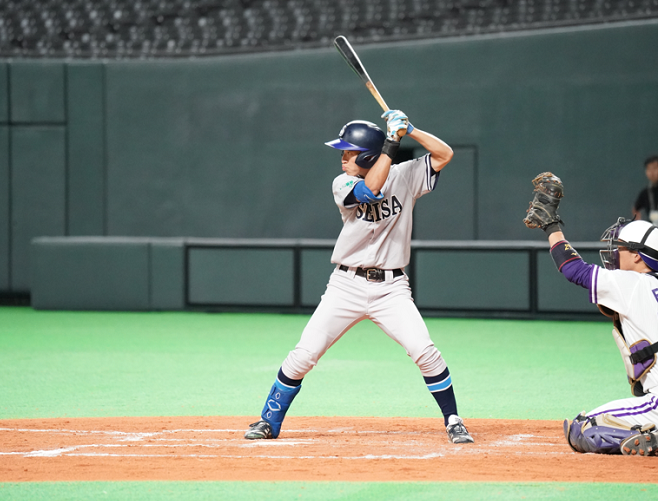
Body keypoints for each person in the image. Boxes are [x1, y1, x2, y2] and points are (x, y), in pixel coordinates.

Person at [243, 110, 474, 444]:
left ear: (367, 154)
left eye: (349, 152)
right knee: (304, 353)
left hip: (392, 288)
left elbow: (444, 154)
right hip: (345, 286)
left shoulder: (406, 175)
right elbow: (370, 189)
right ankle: (268, 420)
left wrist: (411, 130)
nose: (343, 157)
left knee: (424, 350)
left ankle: (453, 419)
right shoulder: (342, 183)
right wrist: (393, 141)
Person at [524, 172, 658, 456]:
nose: (614, 253)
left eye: (620, 248)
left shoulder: (633, 283)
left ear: (637, 256)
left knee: (583, 429)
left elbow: (573, 269)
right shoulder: (647, 285)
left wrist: (551, 225)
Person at [632, 155, 658, 224]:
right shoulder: (645, 193)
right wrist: (638, 222)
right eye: (649, 169)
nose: (652, 172)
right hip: (653, 228)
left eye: (655, 168)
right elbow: (636, 209)